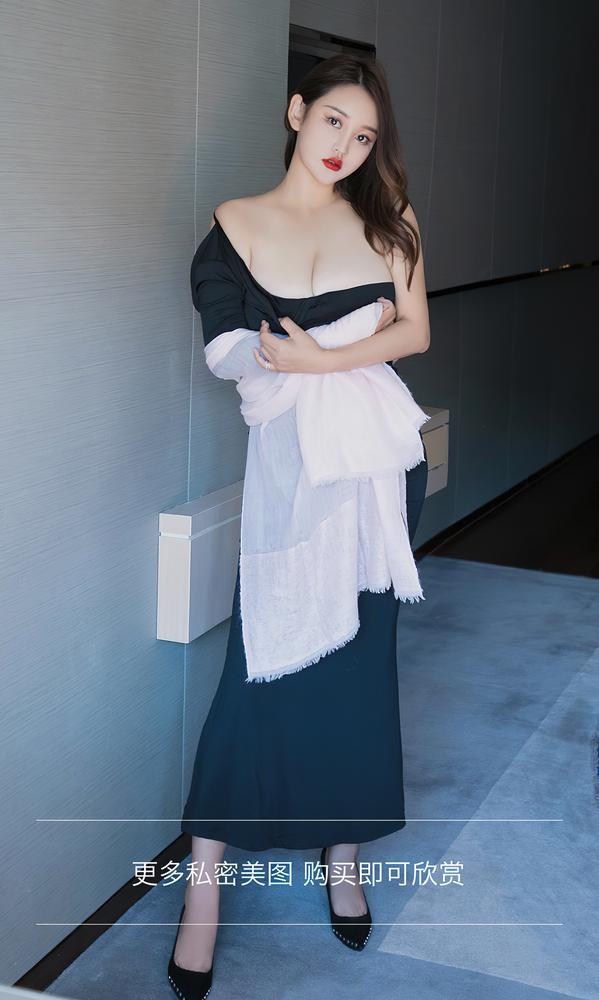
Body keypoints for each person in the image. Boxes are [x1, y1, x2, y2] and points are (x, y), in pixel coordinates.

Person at [167, 53, 430, 1000]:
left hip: (378, 473)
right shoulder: (233, 228)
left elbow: (414, 333)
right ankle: (202, 891)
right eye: (331, 122)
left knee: (358, 667)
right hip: (291, 476)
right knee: (260, 665)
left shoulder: (390, 221)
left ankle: (342, 852)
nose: (343, 147)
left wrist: (315, 359)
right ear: (295, 112)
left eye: (363, 136)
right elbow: (231, 350)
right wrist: (324, 353)